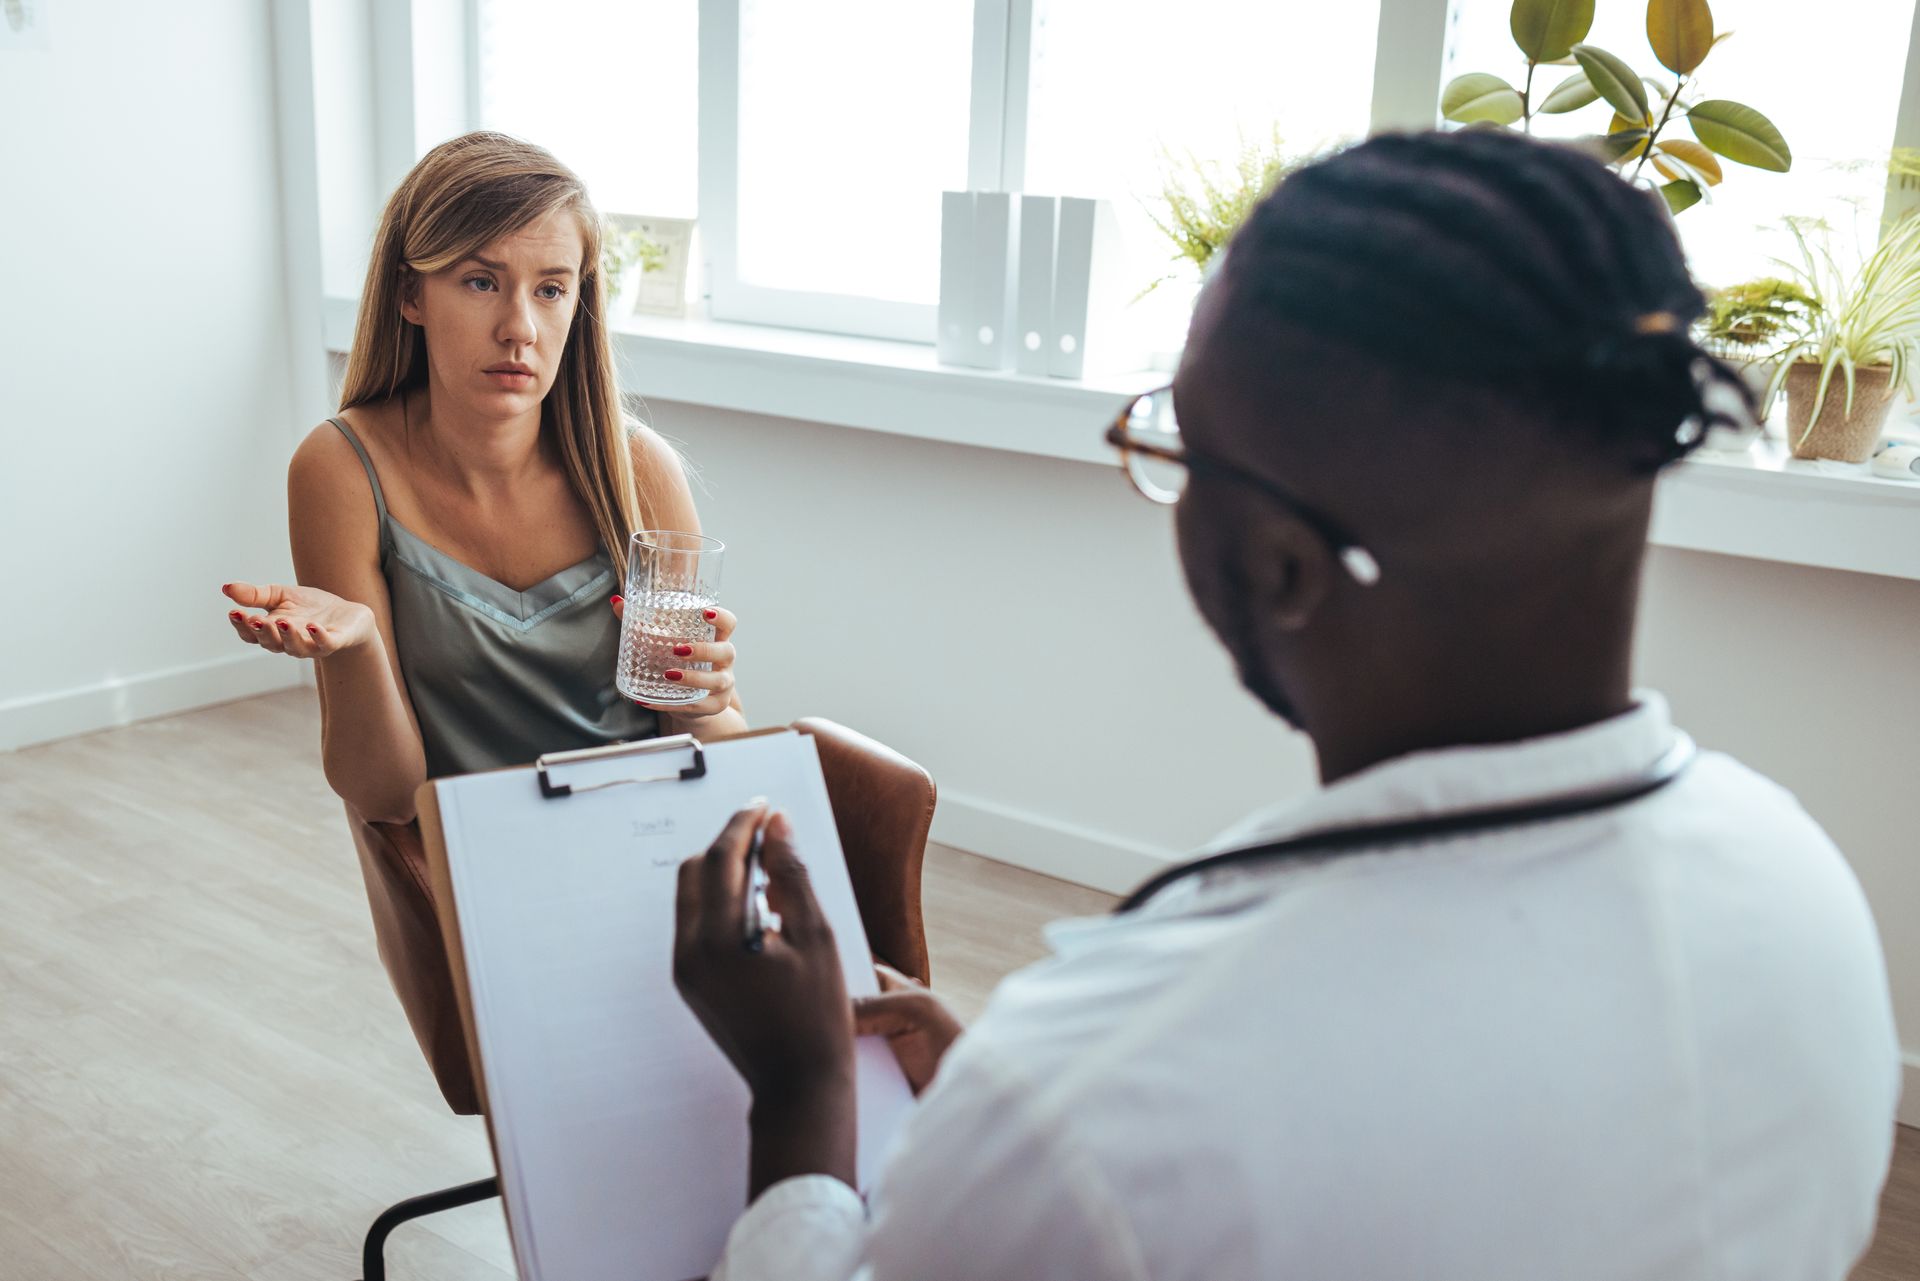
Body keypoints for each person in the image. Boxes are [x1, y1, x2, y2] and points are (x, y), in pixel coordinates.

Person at [670, 130, 1901, 1279]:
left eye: (1177, 453)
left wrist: (803, 1093)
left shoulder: (1101, 1101)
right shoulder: (1803, 888)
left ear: (1277, 566)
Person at [221, 133, 744, 823]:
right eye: (480, 282)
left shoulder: (638, 470)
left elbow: (720, 753)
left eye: (551, 289)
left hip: (654, 836)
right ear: (412, 294)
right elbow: (386, 796)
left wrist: (705, 703)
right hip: (480, 868)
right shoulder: (342, 470)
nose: (519, 328)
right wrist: (360, 647)